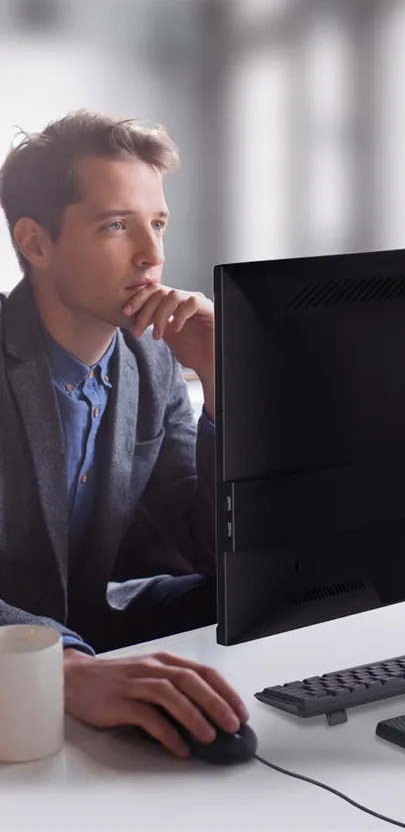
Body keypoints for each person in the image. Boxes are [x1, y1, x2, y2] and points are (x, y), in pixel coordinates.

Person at [0, 110, 248, 757]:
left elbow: (208, 544)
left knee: (245, 596)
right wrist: (67, 671)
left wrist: (221, 379)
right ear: (36, 242)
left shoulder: (153, 360)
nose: (153, 253)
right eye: (117, 225)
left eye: (157, 223)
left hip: (99, 632)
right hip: (19, 669)